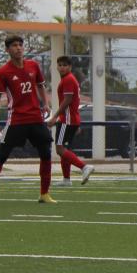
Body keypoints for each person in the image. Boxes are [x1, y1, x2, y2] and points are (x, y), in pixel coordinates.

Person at [0, 36, 55, 204]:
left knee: (46, 154)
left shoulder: (33, 65)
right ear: (7, 50)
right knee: (2, 155)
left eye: (21, 45)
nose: (18, 48)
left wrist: (46, 104)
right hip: (17, 120)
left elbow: (41, 85)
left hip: (36, 118)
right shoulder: (3, 72)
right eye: (14, 45)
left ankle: (44, 194)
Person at [49, 56, 93, 186]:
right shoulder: (69, 79)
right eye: (60, 65)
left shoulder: (68, 79)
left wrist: (55, 116)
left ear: (70, 67)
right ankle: (66, 179)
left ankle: (84, 167)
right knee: (65, 149)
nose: (62, 67)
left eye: (65, 65)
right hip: (72, 120)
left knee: (59, 149)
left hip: (66, 120)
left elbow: (67, 101)